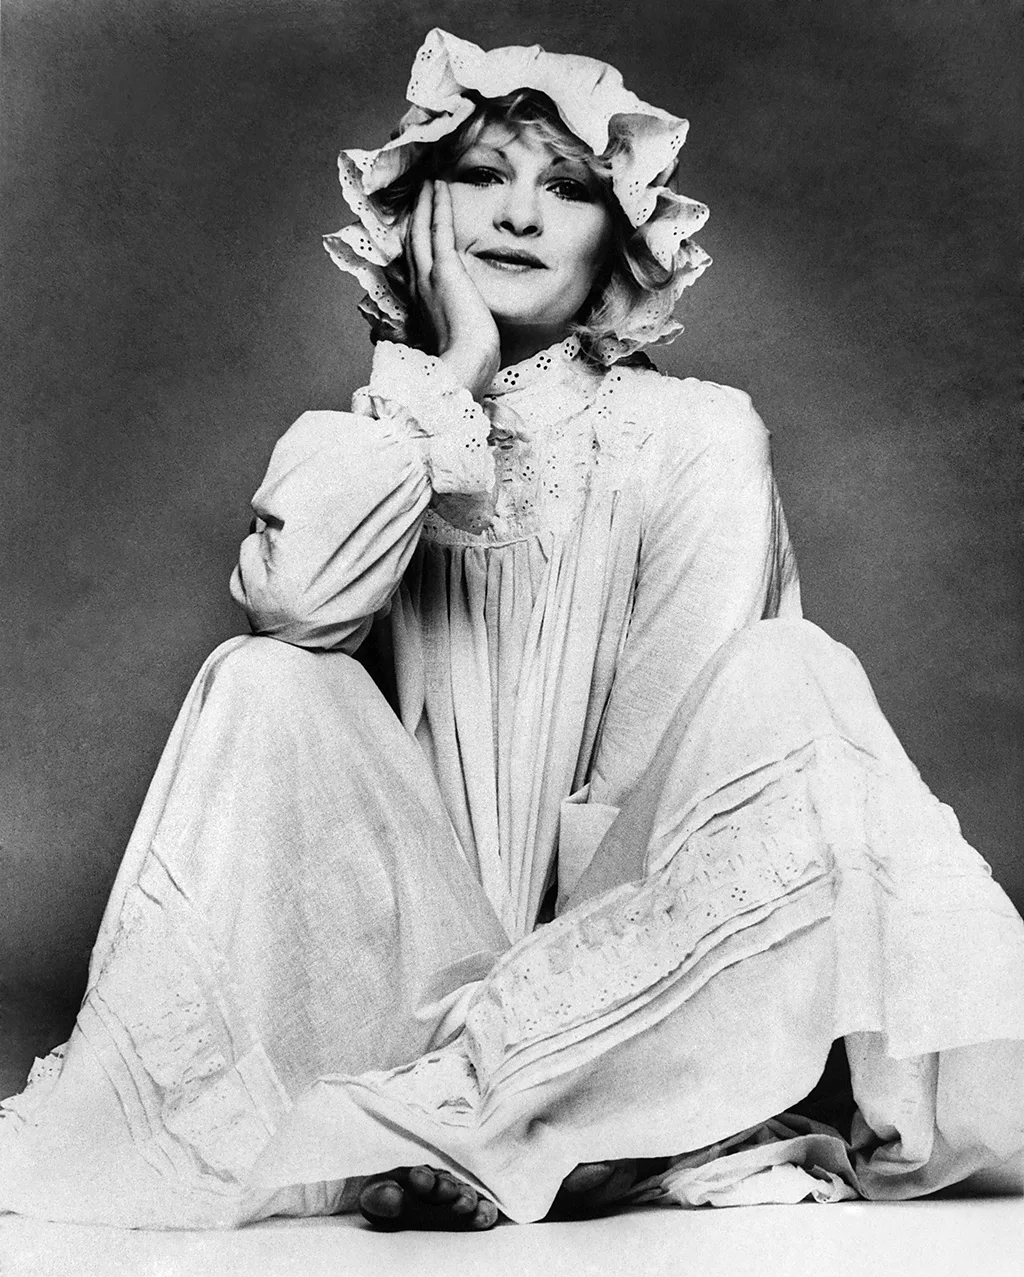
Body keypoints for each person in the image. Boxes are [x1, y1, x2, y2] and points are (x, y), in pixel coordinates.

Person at [1, 28, 1022, 1232]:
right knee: (262, 675)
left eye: (569, 187)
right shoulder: (372, 436)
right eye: (482, 174)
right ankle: (440, 1116)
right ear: (419, 213)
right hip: (404, 987)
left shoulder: (696, 435)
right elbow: (299, 603)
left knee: (787, 670)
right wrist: (455, 373)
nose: (521, 214)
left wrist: (536, 1052)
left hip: (621, 988)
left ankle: (534, 1120)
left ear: (620, 237)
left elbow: (654, 809)